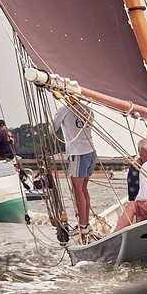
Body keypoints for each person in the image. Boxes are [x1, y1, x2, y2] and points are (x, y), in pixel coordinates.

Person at [52, 96, 95, 235]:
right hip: (91, 152)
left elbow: (51, 129)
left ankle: (82, 225)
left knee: (77, 188)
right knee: (83, 188)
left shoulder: (63, 110)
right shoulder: (88, 110)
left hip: (77, 154)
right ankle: (85, 223)